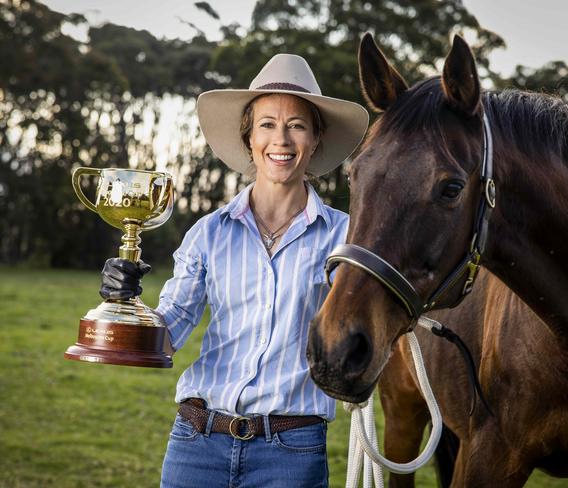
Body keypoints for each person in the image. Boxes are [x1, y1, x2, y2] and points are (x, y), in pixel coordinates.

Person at [99, 53, 368, 487]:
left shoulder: (347, 237)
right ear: (249, 137)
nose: (281, 139)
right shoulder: (208, 233)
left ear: (316, 139)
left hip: (291, 452)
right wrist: (125, 304)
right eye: (267, 124)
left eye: (297, 125)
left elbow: (363, 331)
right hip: (196, 442)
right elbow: (170, 332)